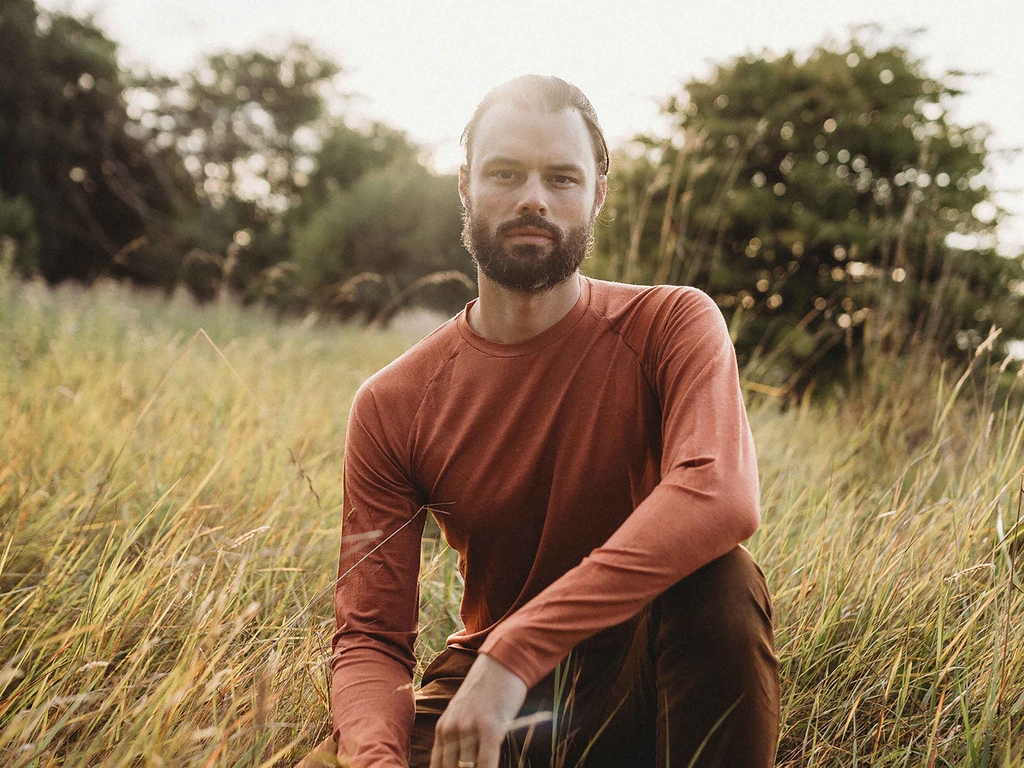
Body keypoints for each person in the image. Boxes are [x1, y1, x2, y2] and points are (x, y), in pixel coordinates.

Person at [299, 74, 779, 768]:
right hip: (490, 707)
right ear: (464, 185)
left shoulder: (673, 322)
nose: (532, 198)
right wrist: (377, 758)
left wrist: (515, 652)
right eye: (505, 174)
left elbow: (720, 494)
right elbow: (372, 640)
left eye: (561, 178)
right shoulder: (394, 401)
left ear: (597, 194)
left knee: (721, 581)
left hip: (637, 679)